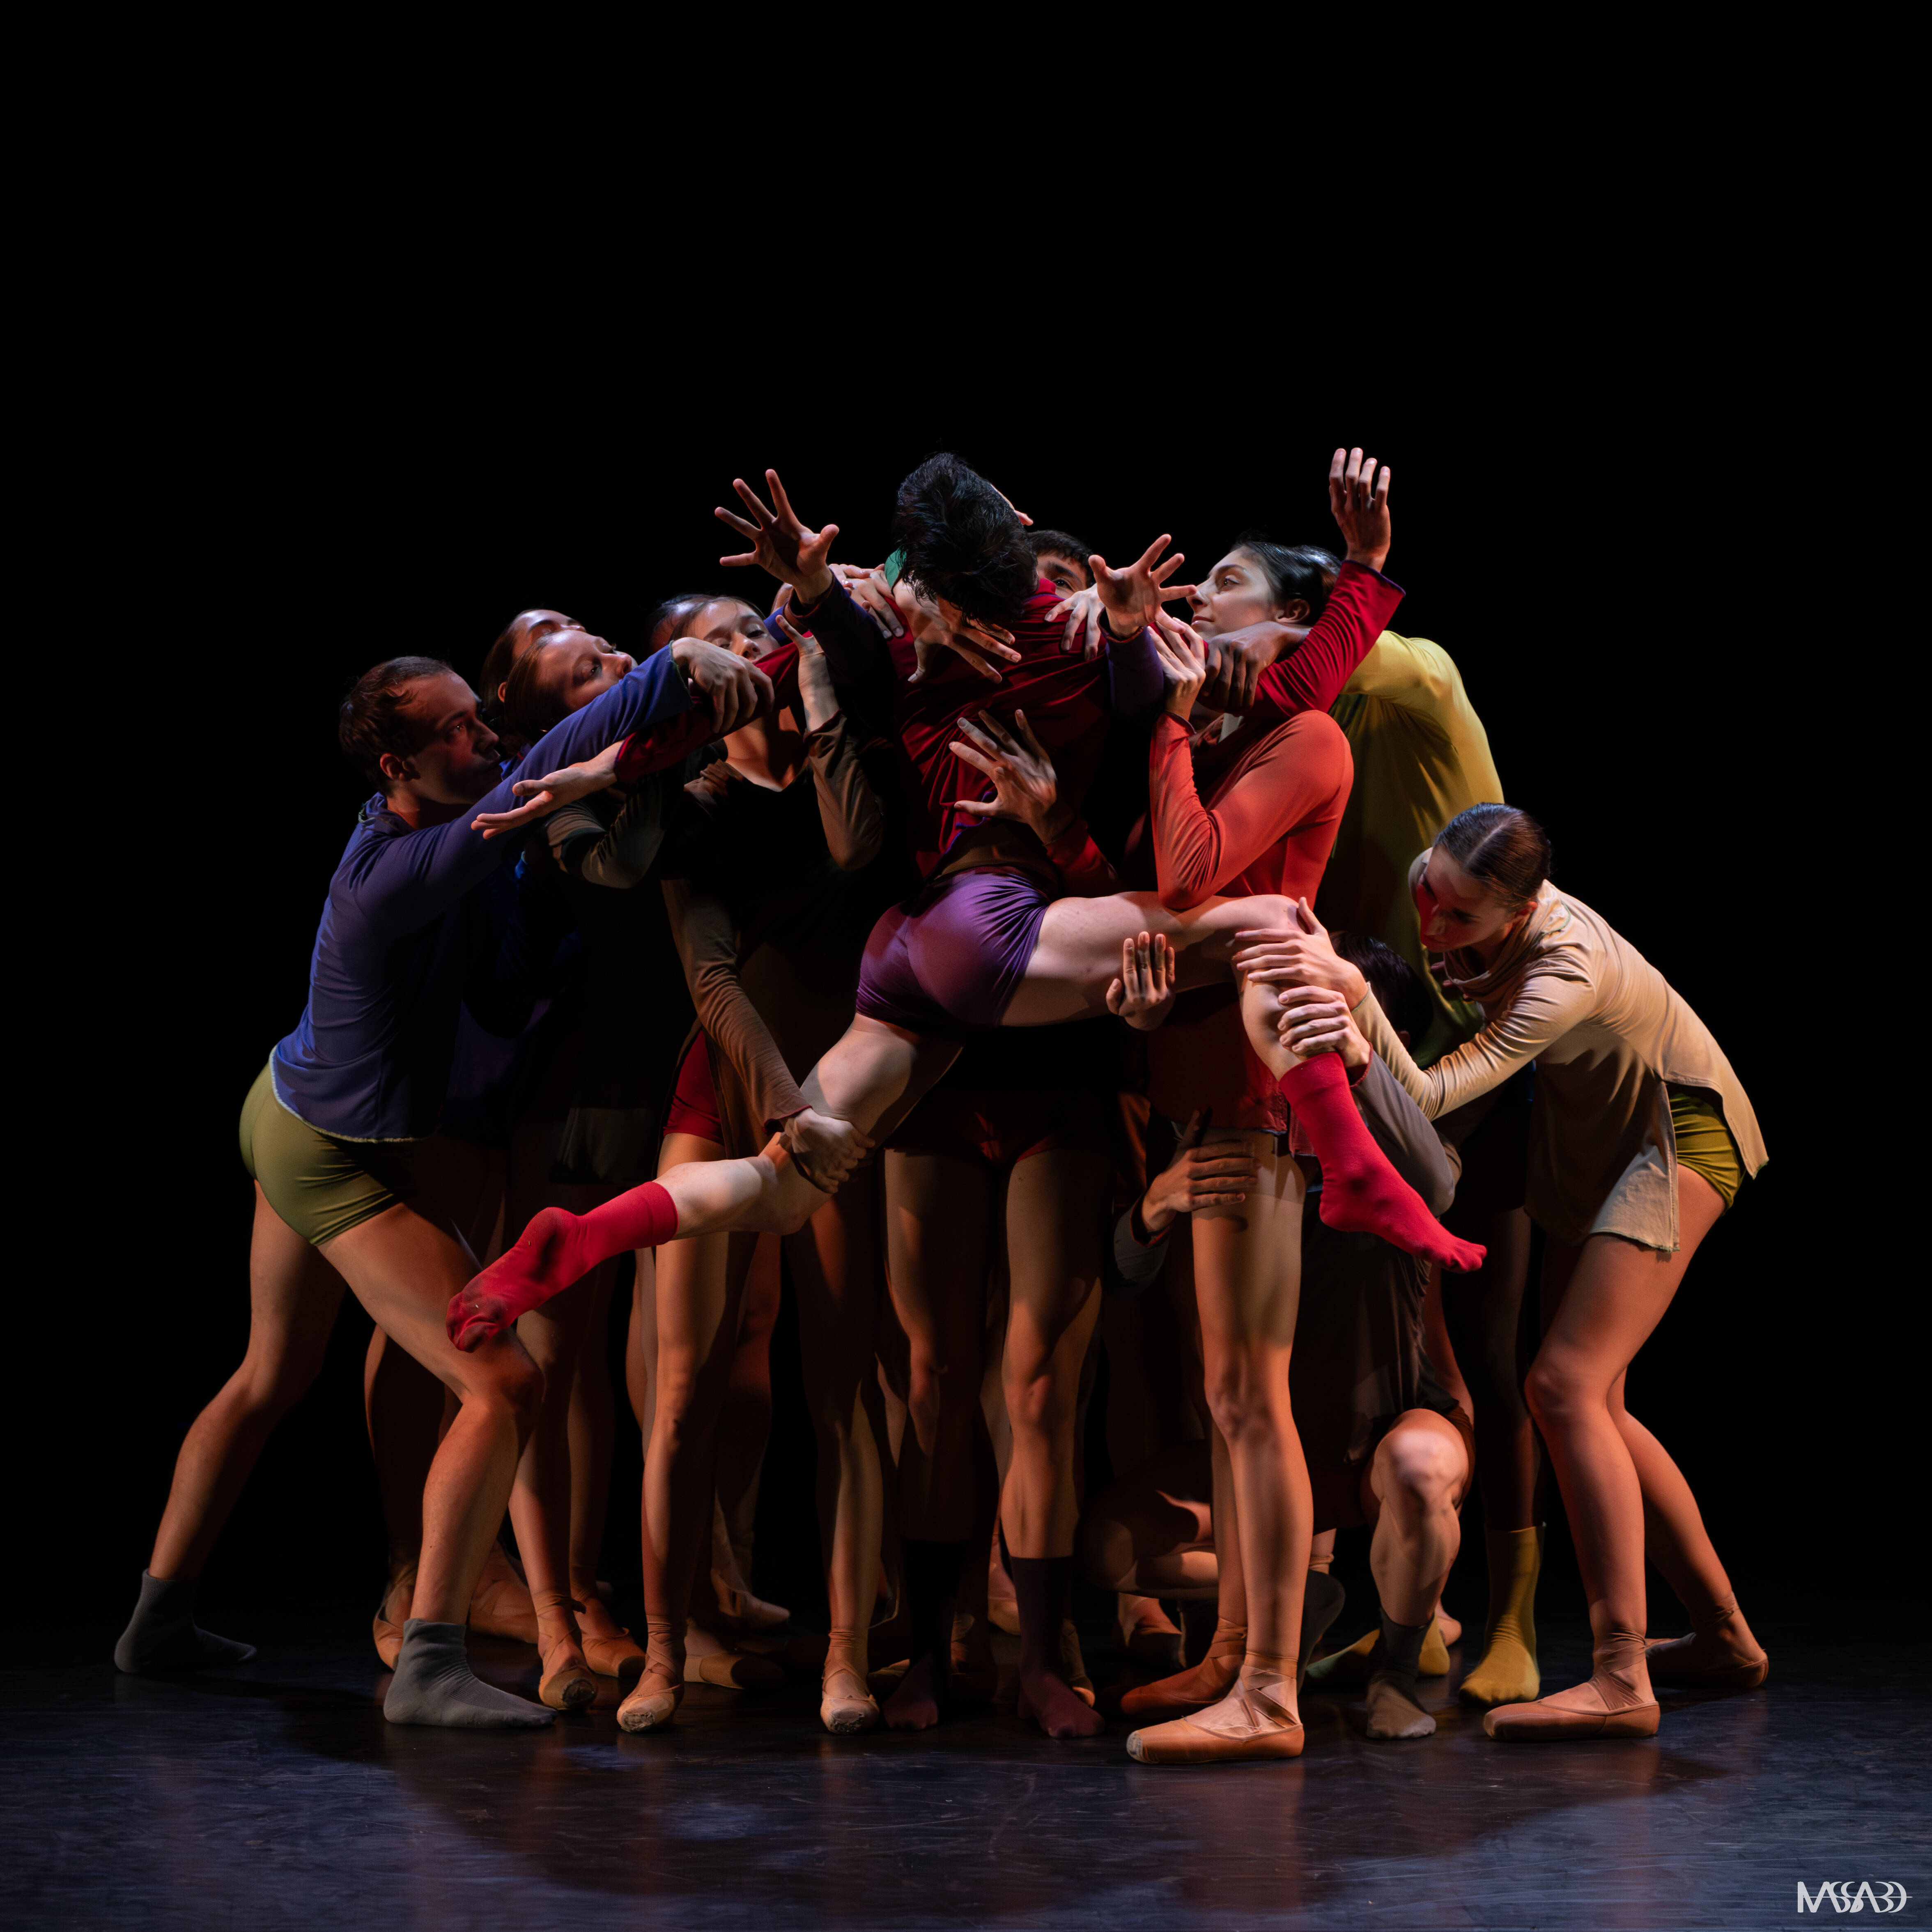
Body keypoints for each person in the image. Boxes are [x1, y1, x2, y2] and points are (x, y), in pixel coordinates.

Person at [114, 639, 760, 1730]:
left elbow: (503, 998)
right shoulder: (400, 867)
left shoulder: (455, 853)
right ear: (396, 769)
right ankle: (429, 1660)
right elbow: (548, 762)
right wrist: (676, 666)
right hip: (327, 1154)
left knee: (273, 1371)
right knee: (504, 1382)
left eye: (478, 715)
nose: (485, 737)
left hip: (287, 1106)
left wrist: (548, 890)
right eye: (456, 730)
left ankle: (157, 1617)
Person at [1261, 803, 1769, 1739]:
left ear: (1523, 908)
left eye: (1459, 917)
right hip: (1597, 1142)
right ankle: (1724, 1636)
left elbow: (1437, 1088)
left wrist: (1353, 999)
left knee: (1563, 1385)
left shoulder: (1561, 972)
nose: (1434, 927)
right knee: (1596, 1402)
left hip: (1673, 1132)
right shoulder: (1446, 873)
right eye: (1430, 899)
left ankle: (1622, 1674)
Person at [1286, 934, 1474, 1743]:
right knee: (1110, 1547)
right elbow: (1125, 1275)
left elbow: (1436, 1184)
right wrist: (1152, 1212)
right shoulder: (1246, 1129)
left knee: (1419, 1468)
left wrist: (1359, 1059)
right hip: (1272, 1449)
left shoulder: (1414, 1155)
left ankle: (1393, 1671)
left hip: (1383, 1431)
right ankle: (1285, 1625)